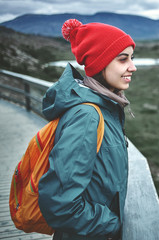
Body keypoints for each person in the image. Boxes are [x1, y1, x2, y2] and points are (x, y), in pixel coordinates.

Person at [38, 19, 137, 240]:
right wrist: (113, 224)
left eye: (132, 58)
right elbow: (59, 204)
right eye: (123, 59)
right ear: (99, 63)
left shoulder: (106, 108)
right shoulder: (87, 116)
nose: (133, 66)